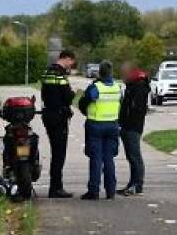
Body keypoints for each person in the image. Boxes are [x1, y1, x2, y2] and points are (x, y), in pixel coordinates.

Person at [78, 61, 121, 200]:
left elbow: (84, 102)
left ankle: (94, 191)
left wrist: (86, 112)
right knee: (109, 159)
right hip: (112, 125)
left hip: (96, 125)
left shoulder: (95, 87)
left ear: (99, 72)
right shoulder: (117, 87)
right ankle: (111, 191)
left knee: (96, 159)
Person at [40, 50, 76, 199]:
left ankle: (55, 187)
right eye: (71, 63)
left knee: (55, 151)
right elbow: (67, 97)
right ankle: (56, 188)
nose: (71, 66)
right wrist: (73, 93)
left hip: (48, 114)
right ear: (67, 58)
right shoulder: (60, 75)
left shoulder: (47, 72)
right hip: (59, 117)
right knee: (59, 154)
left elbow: (45, 93)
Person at [117, 62, 151, 196]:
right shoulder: (132, 86)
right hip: (127, 125)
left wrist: (127, 122)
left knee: (135, 156)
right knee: (131, 156)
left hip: (133, 126)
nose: (122, 77)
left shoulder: (139, 88)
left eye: (124, 74)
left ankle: (137, 184)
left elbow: (137, 109)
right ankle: (132, 183)